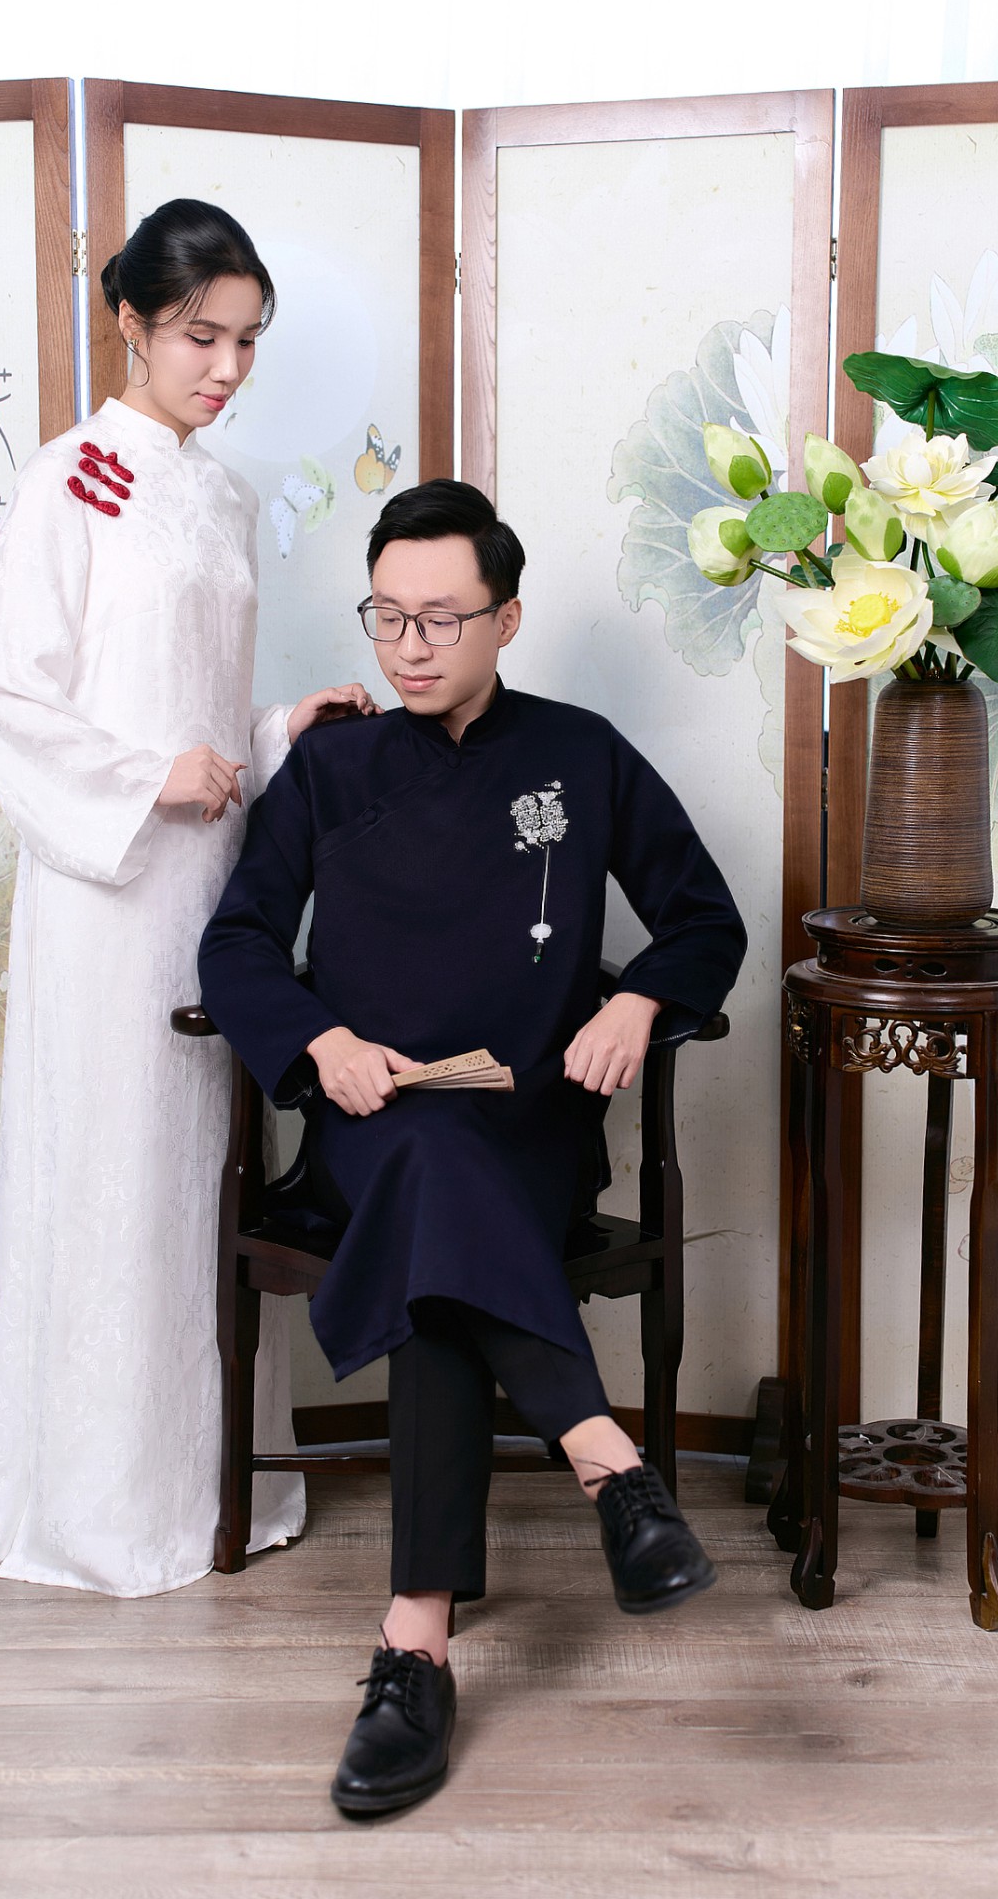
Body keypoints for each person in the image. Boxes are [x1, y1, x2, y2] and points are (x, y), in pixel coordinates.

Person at [198, 479, 746, 1810]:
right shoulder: (331, 769)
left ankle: (416, 1653)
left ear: (506, 619)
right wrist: (319, 1041)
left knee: (437, 1234)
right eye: (387, 616)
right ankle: (612, 1471)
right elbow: (239, 941)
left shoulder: (582, 754)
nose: (411, 646)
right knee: (424, 1174)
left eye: (443, 618)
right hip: (367, 1131)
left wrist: (638, 1000)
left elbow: (706, 921)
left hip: (526, 1136)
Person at [0, 199, 377, 1598]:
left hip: (207, 884)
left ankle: (210, 1486)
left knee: (203, 1176)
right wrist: (148, 779)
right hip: (105, 889)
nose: (228, 368)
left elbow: (188, 712)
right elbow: (3, 689)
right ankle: (97, 1505)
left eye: (247, 340)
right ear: (130, 321)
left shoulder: (223, 494)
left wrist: (277, 729)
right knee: (111, 1171)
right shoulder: (74, 480)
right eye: (201, 336)